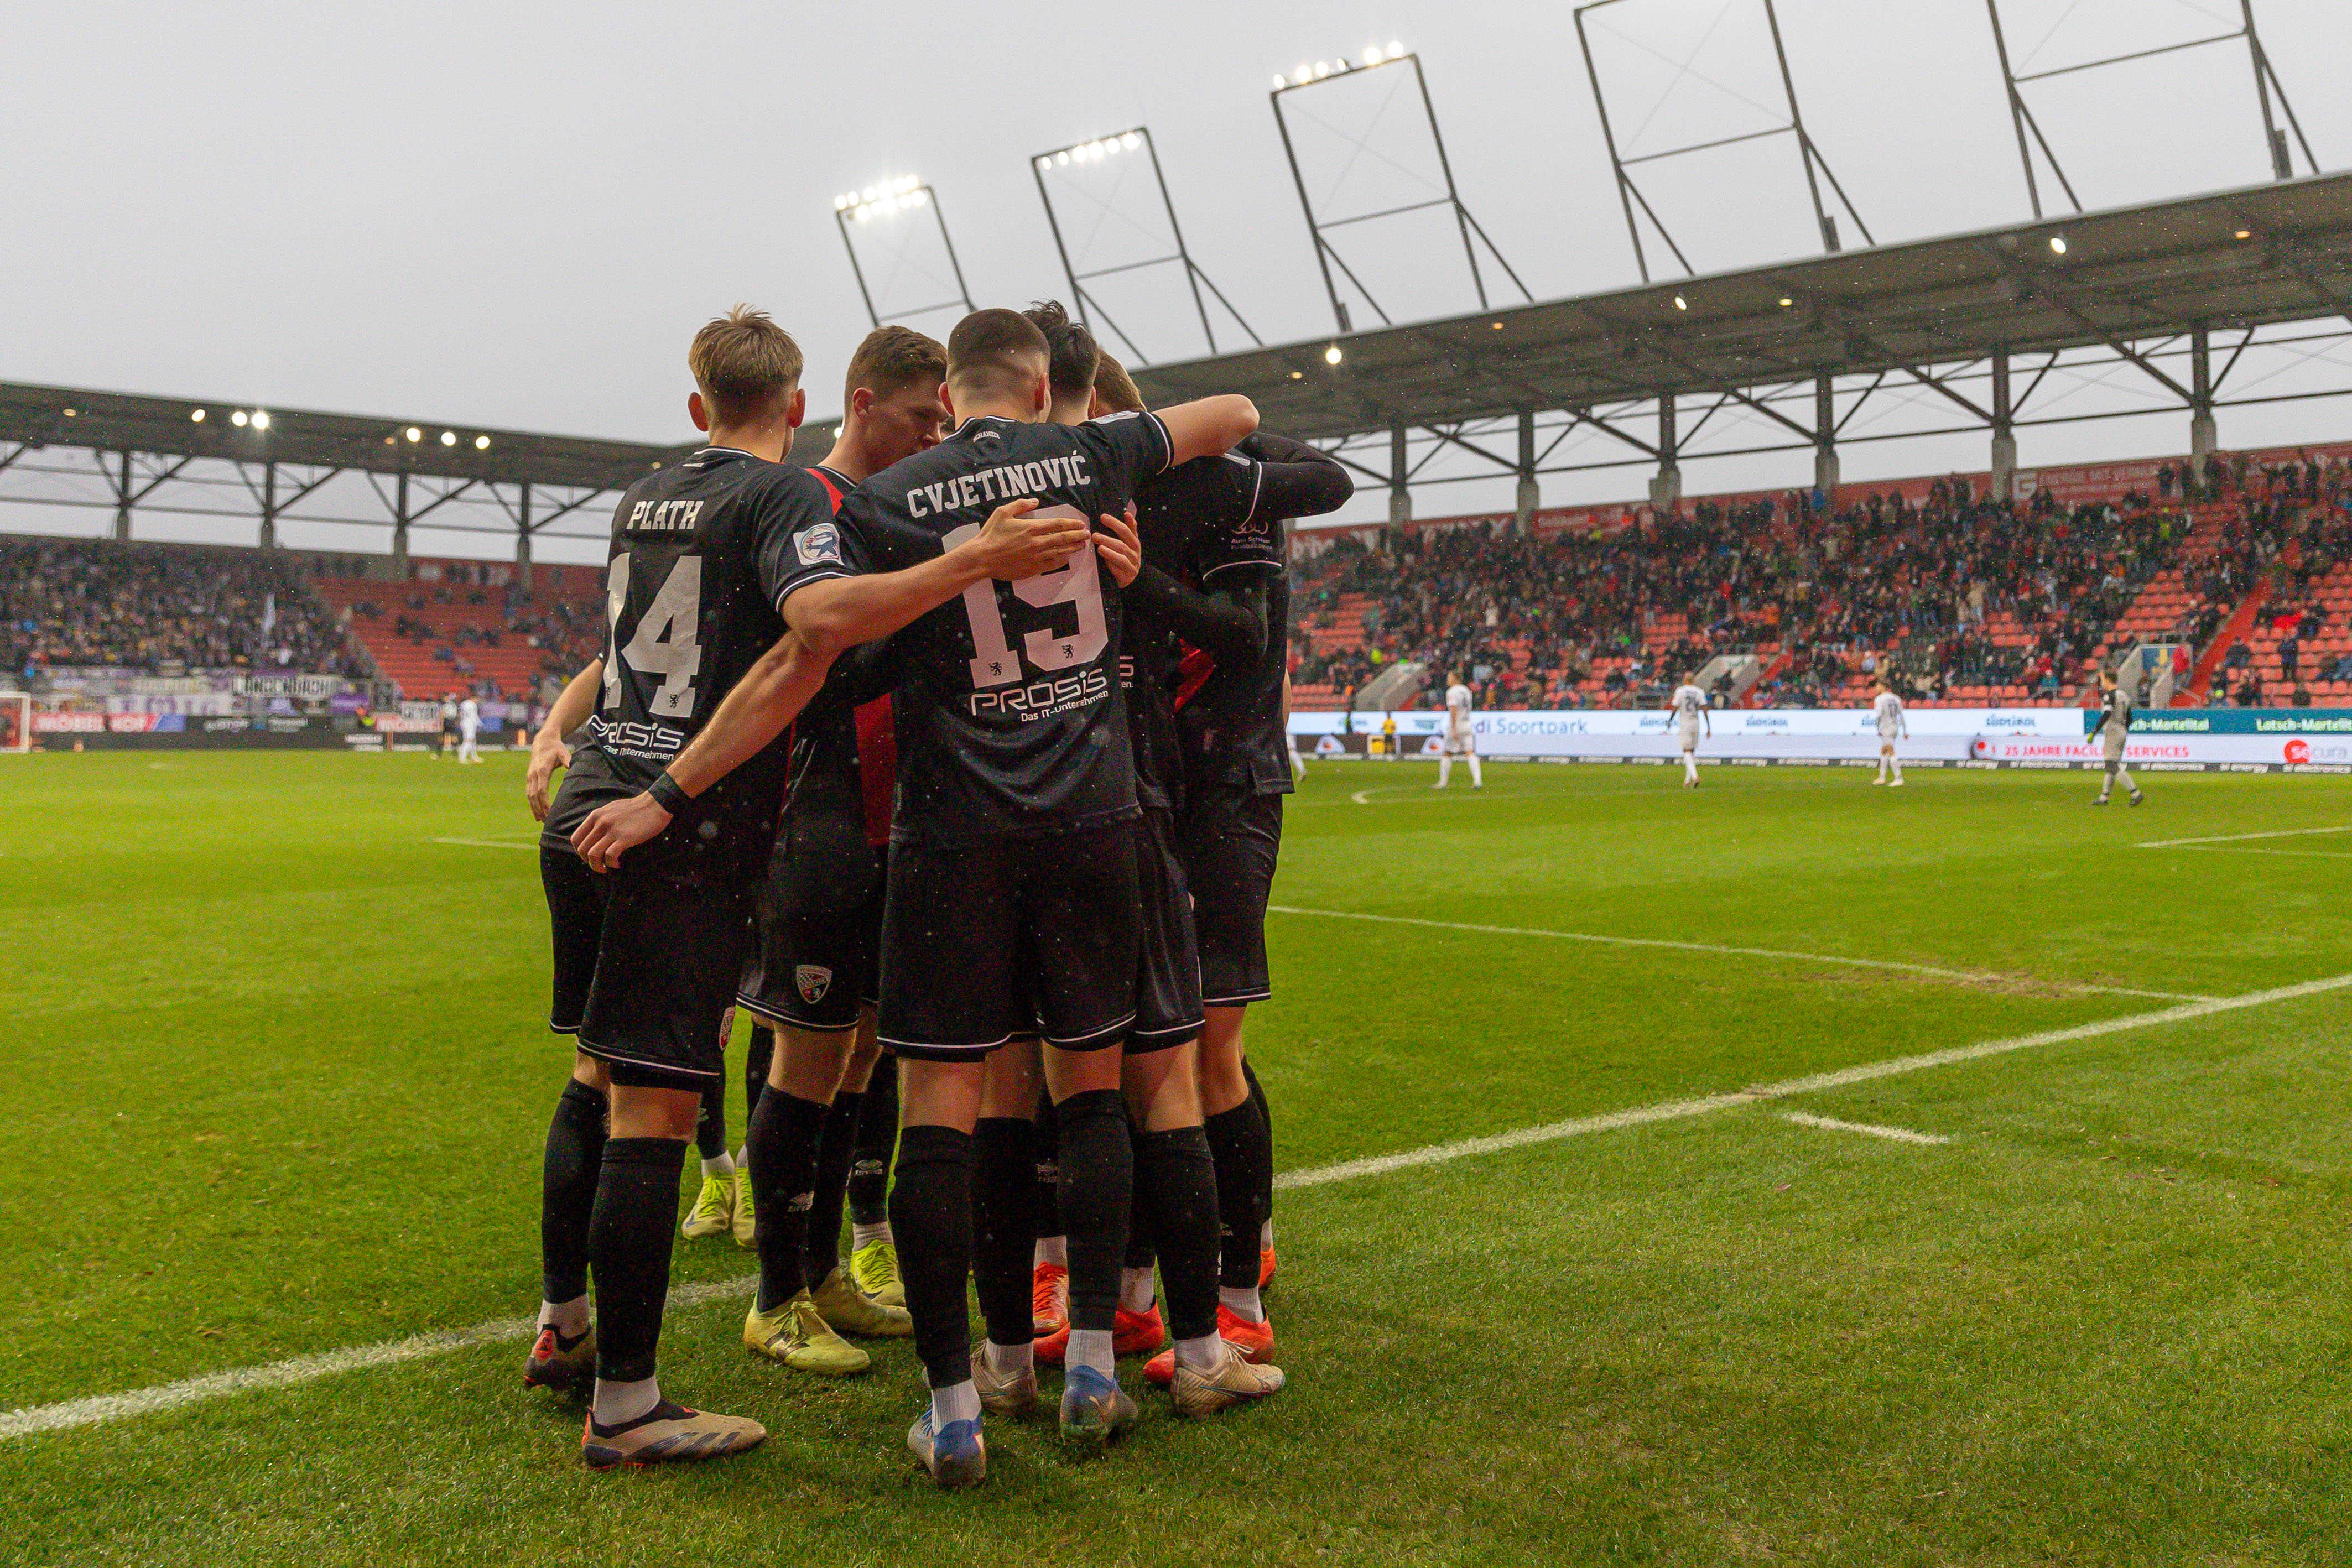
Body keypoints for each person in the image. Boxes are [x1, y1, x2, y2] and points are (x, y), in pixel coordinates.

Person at [570, 307, 1253, 1489]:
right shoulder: (1091, 457)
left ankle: (963, 1394)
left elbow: (830, 653)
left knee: (940, 1095)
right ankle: (1090, 1356)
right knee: (1086, 1082)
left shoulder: (884, 505)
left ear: (957, 397)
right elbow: (1239, 418)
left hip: (950, 834)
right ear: (1042, 389)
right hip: (1090, 818)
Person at [1091, 351, 1350, 1392]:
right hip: (1147, 787)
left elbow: (1243, 642)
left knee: (1210, 1051)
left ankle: (1240, 1297)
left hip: (1229, 790)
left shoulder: (1224, 491)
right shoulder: (1106, 500)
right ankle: (1144, 1289)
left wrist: (1140, 578)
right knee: (1144, 1053)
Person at [729, 325, 951, 1373]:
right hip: (816, 821)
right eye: (920, 416)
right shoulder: (810, 510)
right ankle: (773, 1298)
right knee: (807, 1061)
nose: (936, 434)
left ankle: (820, 1276)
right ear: (862, 406)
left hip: (892, 825)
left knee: (861, 1056)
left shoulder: (899, 516)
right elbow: (822, 662)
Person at [2090, 668, 2142, 806]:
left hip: (2113, 730)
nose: (2102, 684)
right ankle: (2104, 797)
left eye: (2104, 681)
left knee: (2112, 766)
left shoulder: (2110, 696)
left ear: (2108, 680)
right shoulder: (2124, 695)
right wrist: (2123, 730)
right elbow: (2130, 718)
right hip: (2122, 730)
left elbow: (2107, 714)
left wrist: (2095, 730)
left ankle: (2135, 793)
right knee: (2111, 766)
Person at [1434, 673, 1480, 788]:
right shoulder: (1466, 690)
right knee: (1470, 752)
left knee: (1447, 753)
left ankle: (1443, 783)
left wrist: (1454, 728)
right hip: (1467, 724)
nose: (1448, 679)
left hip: (1456, 725)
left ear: (1455, 679)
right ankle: (1478, 781)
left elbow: (1453, 709)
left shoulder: (1452, 692)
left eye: (1449, 677)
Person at [1669, 678, 1709, 788]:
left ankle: (1695, 776)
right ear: (1693, 680)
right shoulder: (1700, 691)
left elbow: (1675, 706)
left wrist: (1670, 720)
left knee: (1686, 751)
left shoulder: (1680, 691)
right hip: (1696, 723)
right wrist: (1709, 727)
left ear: (1685, 680)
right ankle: (1687, 780)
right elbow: (1705, 708)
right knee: (1691, 752)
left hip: (1685, 723)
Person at [1871, 679, 1908, 786]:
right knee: (1884, 751)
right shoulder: (1896, 698)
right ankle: (1882, 777)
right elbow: (1901, 715)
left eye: (1878, 686)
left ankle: (1899, 778)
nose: (1876, 688)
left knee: (1891, 751)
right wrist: (1905, 731)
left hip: (1886, 728)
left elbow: (1879, 715)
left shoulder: (1879, 699)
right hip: (1895, 727)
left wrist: (1878, 728)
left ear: (1883, 686)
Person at [457, 692, 482, 764]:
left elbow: (460, 713)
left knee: (473, 740)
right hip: (470, 724)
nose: (478, 701)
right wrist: (480, 724)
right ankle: (462, 758)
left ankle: (474, 757)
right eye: (478, 699)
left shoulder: (464, 703)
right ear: (474, 698)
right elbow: (473, 716)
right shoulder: (472, 705)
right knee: (469, 740)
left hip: (464, 722)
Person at [438, 693, 458, 759]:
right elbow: (458, 713)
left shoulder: (444, 705)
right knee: (453, 736)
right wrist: (456, 721)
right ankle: (455, 753)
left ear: (445, 697)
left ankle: (439, 754)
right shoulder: (454, 704)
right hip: (452, 720)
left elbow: (442, 714)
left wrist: (441, 724)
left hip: (446, 721)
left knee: (442, 736)